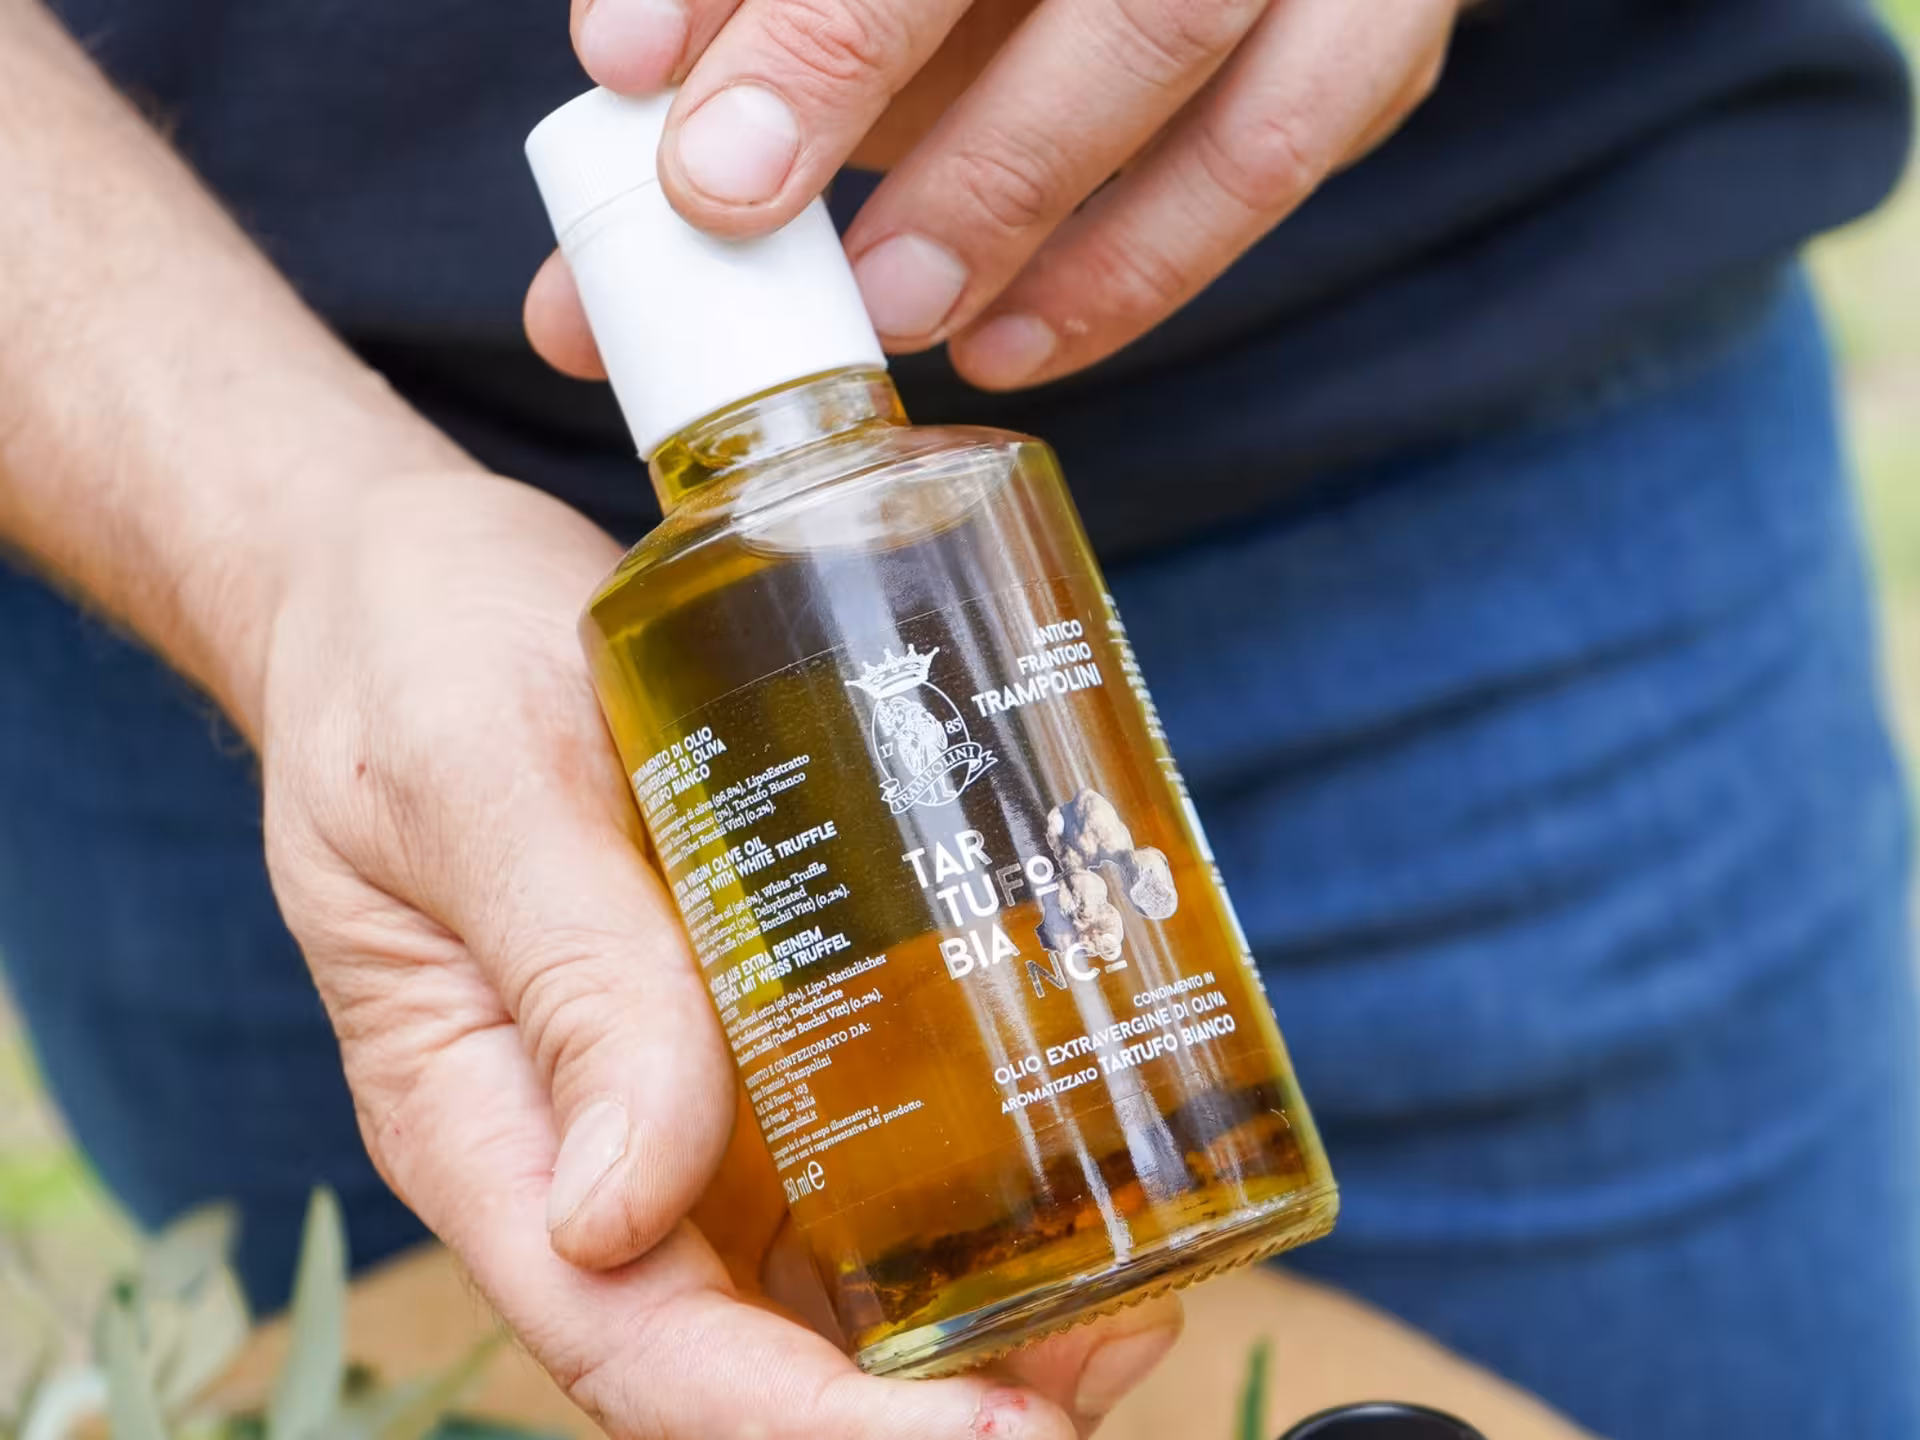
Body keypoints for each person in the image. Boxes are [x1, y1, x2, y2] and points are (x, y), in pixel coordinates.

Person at [0, 0, 1913, 1436]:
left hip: (1489, 391)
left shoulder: (965, 485)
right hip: (219, 480)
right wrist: (296, 537)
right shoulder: (704, 585)